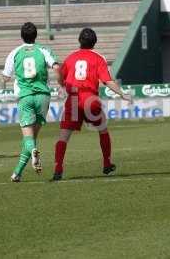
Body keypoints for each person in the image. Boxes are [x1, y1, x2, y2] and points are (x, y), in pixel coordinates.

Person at [53, 28, 132, 181]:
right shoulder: (98, 58)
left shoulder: (71, 57)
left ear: (79, 41)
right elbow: (108, 81)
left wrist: (62, 86)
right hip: (90, 99)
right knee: (103, 130)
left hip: (73, 99)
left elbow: (60, 76)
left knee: (64, 136)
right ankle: (107, 164)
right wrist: (122, 93)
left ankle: (58, 169)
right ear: (94, 42)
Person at [2, 22, 60, 182]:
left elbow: (5, 76)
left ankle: (33, 151)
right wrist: (61, 84)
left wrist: (4, 80)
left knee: (29, 139)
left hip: (25, 96)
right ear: (36, 35)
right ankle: (17, 173)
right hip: (43, 96)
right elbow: (56, 67)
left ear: (22, 36)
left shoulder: (15, 52)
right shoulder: (43, 50)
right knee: (32, 136)